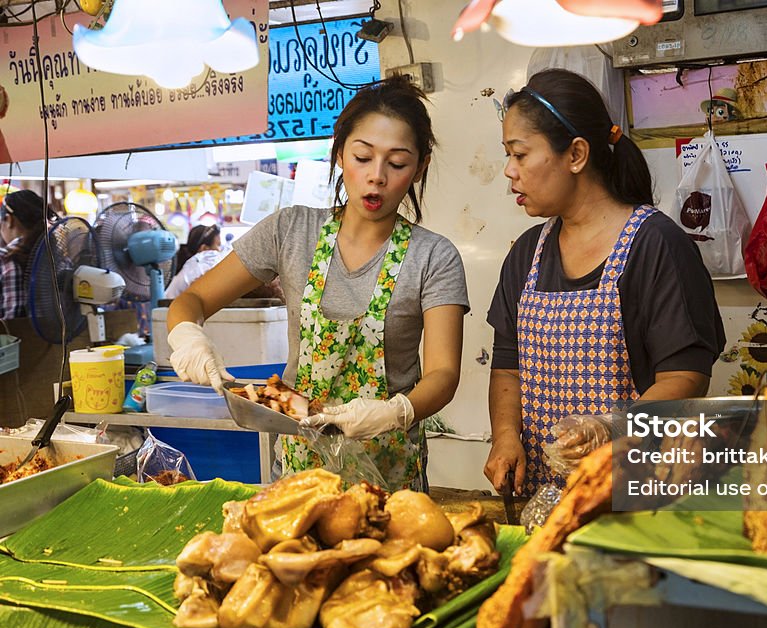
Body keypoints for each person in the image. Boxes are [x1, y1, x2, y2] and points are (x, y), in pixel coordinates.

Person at [167, 77, 469, 491]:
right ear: (340, 153)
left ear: (421, 166)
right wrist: (187, 336)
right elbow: (193, 299)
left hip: (389, 478)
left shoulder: (434, 257)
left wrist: (395, 411)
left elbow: (443, 373)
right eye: (363, 157)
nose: (376, 177)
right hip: (298, 472)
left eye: (397, 164)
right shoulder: (290, 231)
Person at [485, 69, 726, 497]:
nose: (509, 171)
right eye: (508, 155)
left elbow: (686, 376)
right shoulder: (526, 253)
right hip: (544, 496)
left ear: (576, 154)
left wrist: (611, 428)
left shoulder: (656, 244)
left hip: (634, 492)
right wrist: (506, 435)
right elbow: (507, 365)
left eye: (520, 155)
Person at [0, 189, 49, 319]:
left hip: (12, 338)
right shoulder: (58, 256)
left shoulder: (4, 259)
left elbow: (12, 321)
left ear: (9, 220)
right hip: (59, 337)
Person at [165, 224, 223, 299]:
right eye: (218, 245)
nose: (220, 250)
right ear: (204, 248)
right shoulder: (202, 262)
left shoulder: (190, 266)